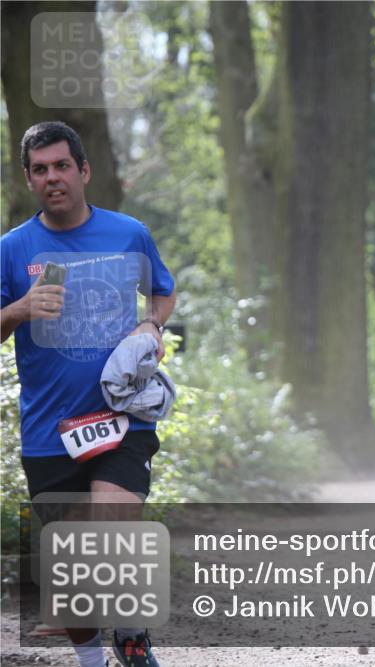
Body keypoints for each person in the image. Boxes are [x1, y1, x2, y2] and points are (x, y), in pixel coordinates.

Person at [1, 121, 175, 667]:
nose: (52, 177)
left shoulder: (128, 233)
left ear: (84, 170)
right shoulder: (12, 249)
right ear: (29, 179)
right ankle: (94, 657)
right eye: (40, 169)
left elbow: (162, 294)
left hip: (122, 417)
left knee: (110, 526)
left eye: (61, 166)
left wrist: (151, 328)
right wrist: (19, 310)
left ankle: (130, 633)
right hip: (49, 431)